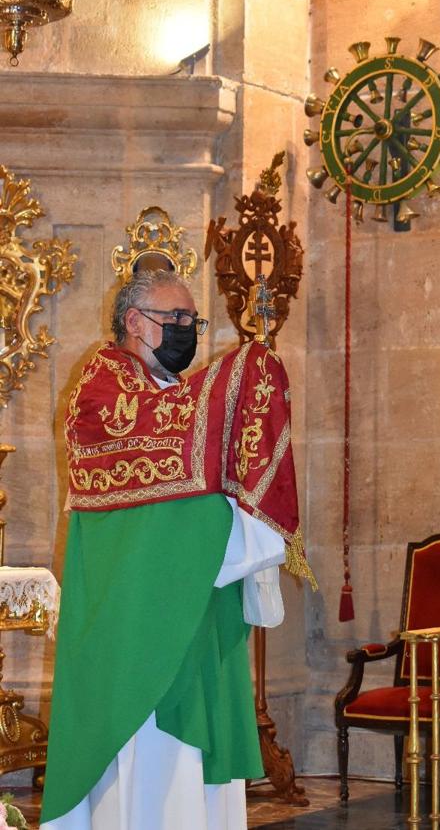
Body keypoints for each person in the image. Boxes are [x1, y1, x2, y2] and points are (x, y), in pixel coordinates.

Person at [40, 270, 313, 830]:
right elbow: (171, 447)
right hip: (135, 625)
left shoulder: (167, 395)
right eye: (177, 320)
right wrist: (244, 371)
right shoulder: (101, 387)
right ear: (135, 323)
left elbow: (201, 441)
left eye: (194, 320)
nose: (188, 331)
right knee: (148, 778)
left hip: (193, 608)